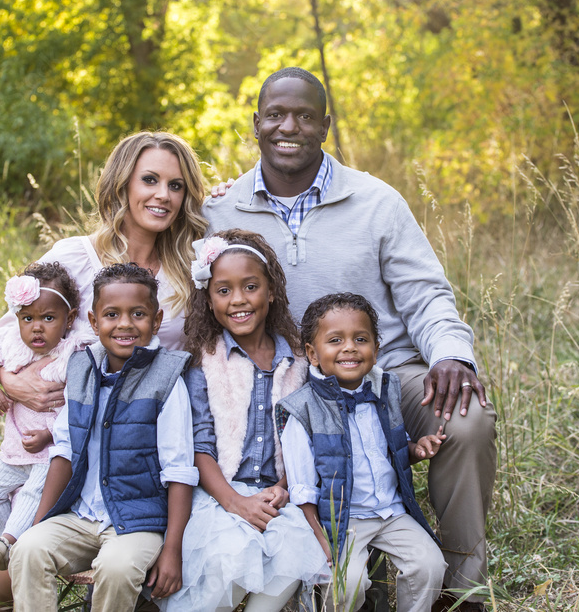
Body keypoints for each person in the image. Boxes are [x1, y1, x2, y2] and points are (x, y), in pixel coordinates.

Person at [203, 67, 496, 610]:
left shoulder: (376, 201)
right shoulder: (221, 208)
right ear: (256, 124)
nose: (288, 126)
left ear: (326, 126)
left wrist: (451, 354)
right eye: (276, 115)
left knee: (467, 420)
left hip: (386, 373)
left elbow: (427, 293)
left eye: (305, 116)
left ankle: (461, 586)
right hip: (286, 379)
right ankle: (326, 562)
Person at [0, 131, 206, 604]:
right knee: (11, 522)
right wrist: (12, 385)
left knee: (117, 559)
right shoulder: (72, 256)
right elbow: (7, 335)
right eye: (149, 180)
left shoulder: (189, 274)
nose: (163, 195)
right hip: (62, 436)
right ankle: (15, 554)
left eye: (176, 185)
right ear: (122, 185)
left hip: (139, 448)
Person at [8, 263, 197, 611]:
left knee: (117, 567)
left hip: (138, 521)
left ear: (156, 321)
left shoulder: (167, 378)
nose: (125, 323)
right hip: (80, 516)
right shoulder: (82, 368)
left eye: (138, 314)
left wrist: (172, 551)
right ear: (94, 322)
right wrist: (39, 525)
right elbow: (64, 451)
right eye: (112, 314)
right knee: (29, 549)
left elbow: (180, 470)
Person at [163, 229, 330, 612]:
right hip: (220, 495)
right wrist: (236, 502)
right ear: (208, 298)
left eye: (250, 287)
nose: (238, 300)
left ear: (271, 291)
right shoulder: (204, 362)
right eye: (224, 290)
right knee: (228, 564)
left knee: (294, 553)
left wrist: (284, 486)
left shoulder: (300, 363)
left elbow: (308, 440)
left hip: (279, 497)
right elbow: (199, 446)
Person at [279, 293, 448, 611]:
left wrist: (416, 449)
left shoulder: (386, 387)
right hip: (344, 519)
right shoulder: (301, 409)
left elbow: (391, 447)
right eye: (335, 340)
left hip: (391, 511)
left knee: (430, 565)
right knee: (348, 584)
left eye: (361, 338)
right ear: (313, 354)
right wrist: (318, 536)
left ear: (376, 347)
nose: (349, 347)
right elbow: (301, 487)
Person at [0, 262, 96, 570]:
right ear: (17, 318)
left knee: (32, 494)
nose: (36, 327)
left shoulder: (76, 354)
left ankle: (9, 542)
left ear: (68, 320)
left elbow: (83, 409)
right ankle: (4, 545)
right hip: (15, 452)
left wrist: (50, 435)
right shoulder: (9, 342)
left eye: (48, 318)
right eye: (27, 318)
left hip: (53, 454)